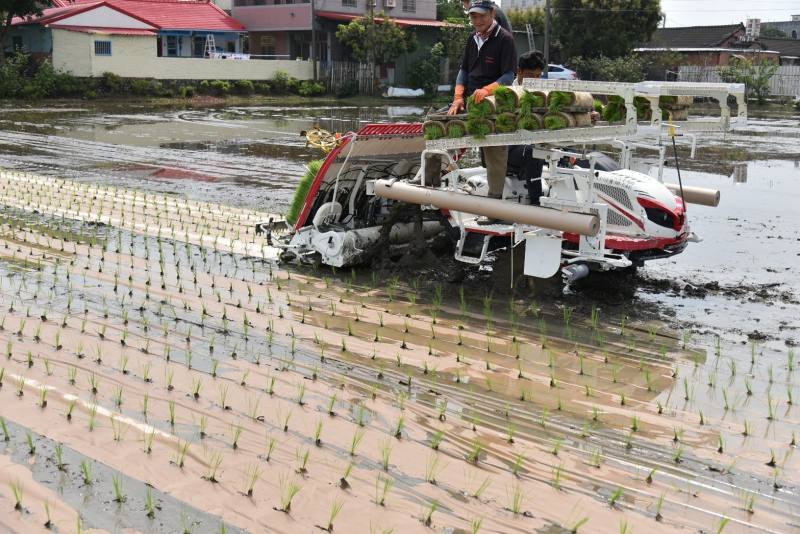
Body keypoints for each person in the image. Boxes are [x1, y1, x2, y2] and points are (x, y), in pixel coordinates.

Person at [448, 0, 517, 216]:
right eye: (473, 16)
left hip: (494, 98)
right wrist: (458, 96)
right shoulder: (472, 38)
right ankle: (429, 186)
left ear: (492, 14)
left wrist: (488, 90)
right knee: (439, 125)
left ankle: (494, 205)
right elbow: (464, 70)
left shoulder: (505, 39)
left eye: (481, 16)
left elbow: (508, 75)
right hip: (470, 98)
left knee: (494, 146)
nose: (477, 20)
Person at [508, 50, 546, 204]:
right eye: (531, 76)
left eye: (538, 76)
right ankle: (536, 199)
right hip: (508, 148)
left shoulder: (542, 94)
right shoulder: (507, 95)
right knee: (534, 152)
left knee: (563, 152)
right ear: (519, 72)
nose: (535, 81)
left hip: (533, 141)